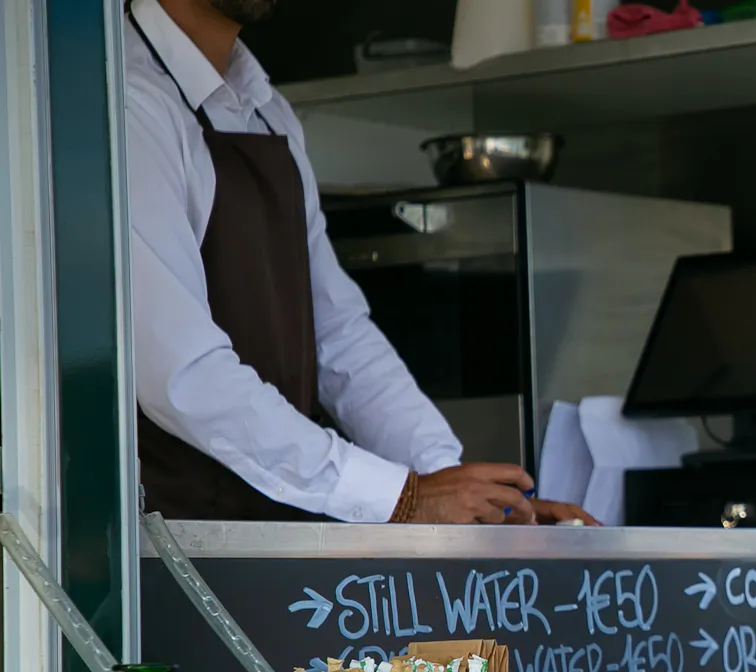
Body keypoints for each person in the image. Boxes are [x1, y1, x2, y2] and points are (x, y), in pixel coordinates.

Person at [124, 0, 595, 526]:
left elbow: (339, 335)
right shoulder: (127, 104)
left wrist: (466, 493)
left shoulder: (265, 109)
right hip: (170, 553)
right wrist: (403, 497)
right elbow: (183, 375)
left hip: (270, 542)